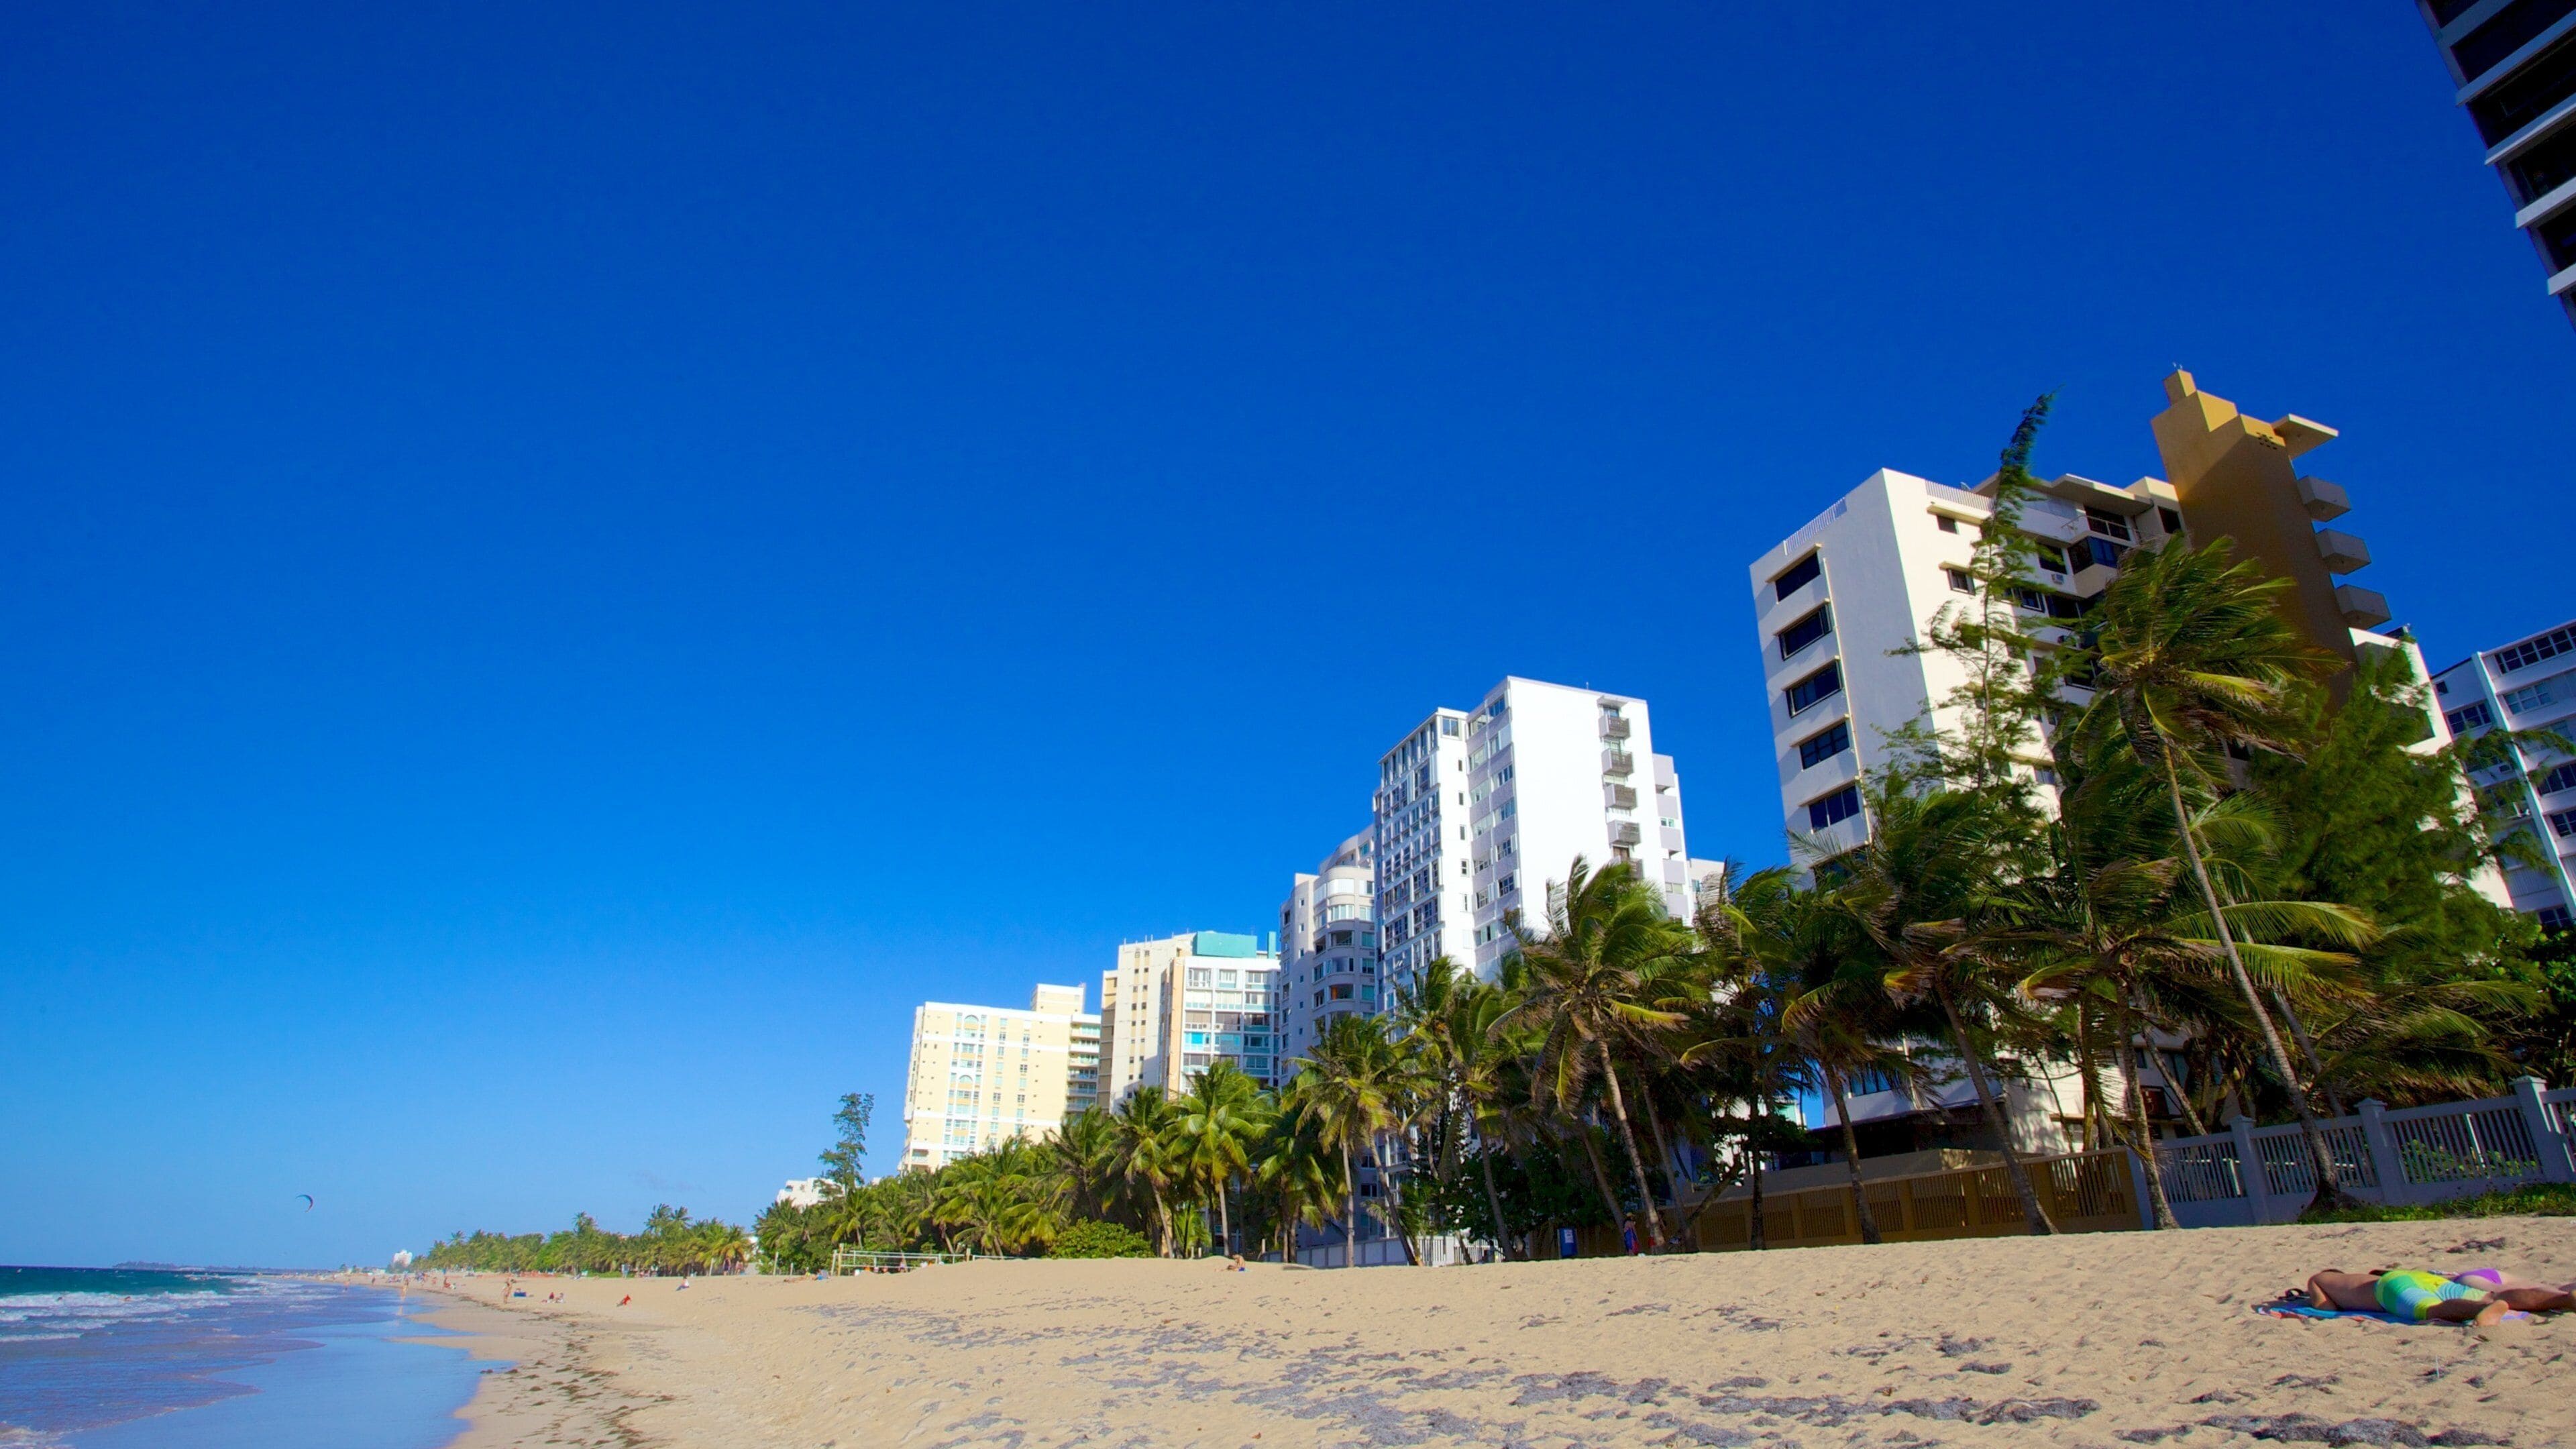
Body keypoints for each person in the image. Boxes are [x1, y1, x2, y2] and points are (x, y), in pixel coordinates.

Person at [2302, 1268, 2513, 1325]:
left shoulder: (2320, 1279)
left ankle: (2479, 1310)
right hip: (2419, 1277)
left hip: (2390, 1288)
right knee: (2489, 1295)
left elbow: (2326, 1310)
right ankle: (2546, 1300)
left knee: (2432, 1310)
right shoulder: (2364, 1276)